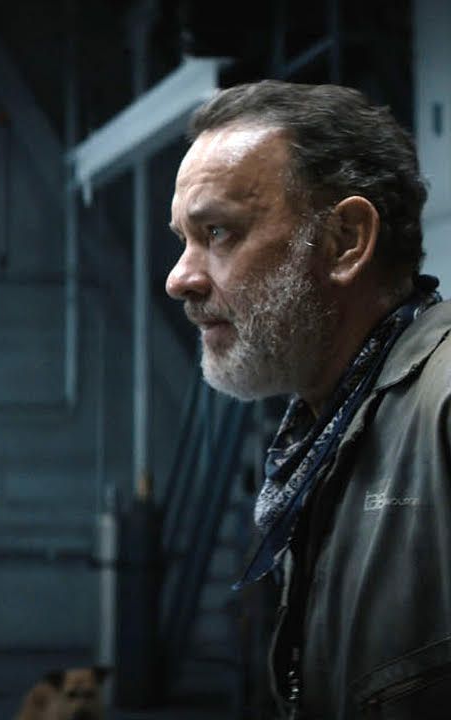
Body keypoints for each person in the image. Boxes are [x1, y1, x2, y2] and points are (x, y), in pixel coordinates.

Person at [165, 80, 451, 718]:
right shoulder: (327, 428)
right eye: (184, 239)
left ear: (345, 239)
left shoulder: (442, 406)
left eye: (218, 232)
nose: (179, 278)